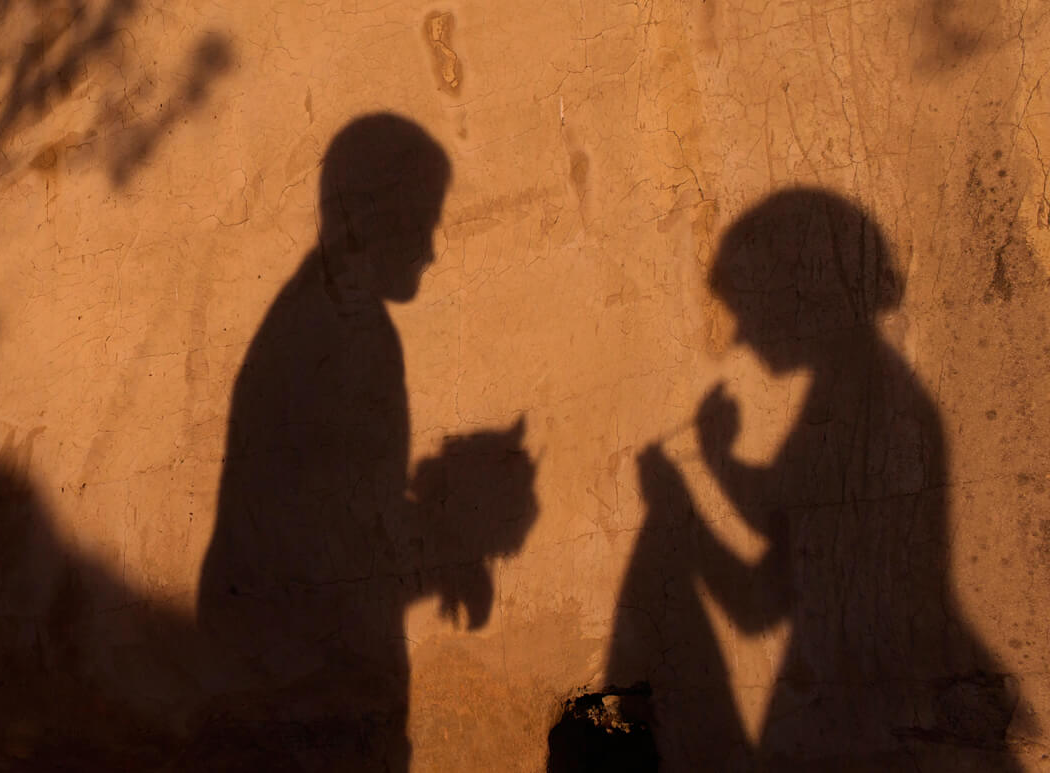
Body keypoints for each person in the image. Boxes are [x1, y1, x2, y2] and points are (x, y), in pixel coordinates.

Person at [604, 189, 1019, 770]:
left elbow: (760, 596)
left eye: (746, 308)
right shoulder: (857, 390)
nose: (741, 337)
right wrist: (717, 461)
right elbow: (789, 525)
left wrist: (681, 501)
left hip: (872, 720)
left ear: (796, 289)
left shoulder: (870, 399)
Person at [195, 113, 535, 772]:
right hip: (305, 691)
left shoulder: (328, 317)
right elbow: (326, 541)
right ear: (375, 213)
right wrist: (446, 560)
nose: (433, 249)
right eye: (424, 220)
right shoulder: (348, 336)